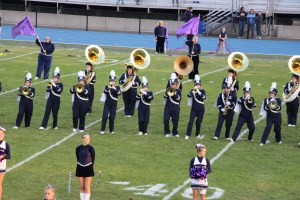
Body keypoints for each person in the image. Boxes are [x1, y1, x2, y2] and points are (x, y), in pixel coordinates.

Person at [100, 70, 121, 134]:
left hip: (114, 105)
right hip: (107, 104)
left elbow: (119, 93)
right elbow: (105, 91)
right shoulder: (107, 87)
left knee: (112, 117)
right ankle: (102, 130)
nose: (112, 82)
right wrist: (110, 87)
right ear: (109, 81)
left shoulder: (117, 87)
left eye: (113, 81)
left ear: (115, 81)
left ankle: (111, 130)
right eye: (111, 81)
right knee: (105, 116)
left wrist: (114, 88)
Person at [185, 75, 206, 140]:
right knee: (190, 121)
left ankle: (197, 133)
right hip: (194, 108)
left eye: (198, 85)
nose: (197, 86)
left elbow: (203, 97)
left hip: (201, 109)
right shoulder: (192, 90)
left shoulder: (202, 91)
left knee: (198, 121)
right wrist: (192, 92)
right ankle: (188, 134)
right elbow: (188, 95)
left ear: (200, 85)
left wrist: (198, 92)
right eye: (196, 84)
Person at [76, 134, 95, 200]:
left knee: (87, 187)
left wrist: (90, 167)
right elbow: (78, 158)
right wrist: (81, 164)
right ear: (82, 139)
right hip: (80, 167)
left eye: (88, 138)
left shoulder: (91, 148)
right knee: (82, 187)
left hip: (88, 168)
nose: (87, 140)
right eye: (85, 138)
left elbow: (93, 159)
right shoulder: (78, 148)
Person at [0, 126, 11, 200]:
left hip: (1, 166)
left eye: (2, 133)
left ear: (4, 135)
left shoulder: (6, 144)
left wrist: (2, 156)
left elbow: (9, 156)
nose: (0, 135)